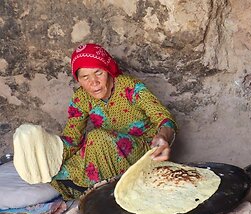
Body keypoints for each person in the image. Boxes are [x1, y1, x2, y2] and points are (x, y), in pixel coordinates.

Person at [49, 43, 177, 200]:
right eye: (85, 77)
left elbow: (163, 118)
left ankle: (114, 192)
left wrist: (163, 137)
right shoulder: (81, 98)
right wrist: (49, 156)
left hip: (142, 149)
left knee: (97, 137)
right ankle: (101, 190)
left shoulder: (131, 87)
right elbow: (72, 138)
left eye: (98, 73)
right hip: (108, 151)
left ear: (108, 70)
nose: (93, 82)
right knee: (54, 171)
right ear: (78, 79)